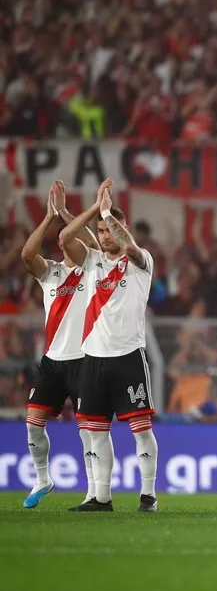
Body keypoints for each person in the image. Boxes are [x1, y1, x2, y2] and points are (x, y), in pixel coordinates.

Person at [59, 178, 159, 512]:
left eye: (109, 229)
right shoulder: (91, 260)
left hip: (129, 356)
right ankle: (101, 497)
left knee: (141, 430)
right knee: (96, 431)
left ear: (122, 228)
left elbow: (129, 247)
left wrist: (106, 213)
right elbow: (64, 238)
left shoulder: (140, 261)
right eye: (100, 231)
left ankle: (148, 495)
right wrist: (94, 208)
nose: (104, 235)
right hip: (93, 358)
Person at [21, 180, 100, 509]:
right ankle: (42, 479)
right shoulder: (49, 273)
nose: (70, 241)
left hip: (84, 360)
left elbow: (93, 244)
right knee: (33, 423)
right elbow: (27, 254)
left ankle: (93, 492)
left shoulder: (90, 271)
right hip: (52, 361)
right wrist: (48, 217)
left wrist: (67, 213)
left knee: (88, 430)